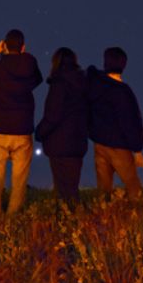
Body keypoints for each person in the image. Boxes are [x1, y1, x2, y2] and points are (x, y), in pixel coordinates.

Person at [0, 28, 43, 221]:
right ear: (23, 47)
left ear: (4, 45)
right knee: (19, 180)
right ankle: (15, 215)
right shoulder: (30, 65)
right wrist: (24, 56)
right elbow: (37, 79)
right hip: (22, 131)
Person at [86, 46, 143, 200]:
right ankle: (137, 218)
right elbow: (131, 122)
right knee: (133, 186)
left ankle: (105, 217)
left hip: (99, 143)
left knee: (103, 188)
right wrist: (137, 150)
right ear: (123, 65)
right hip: (119, 146)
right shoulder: (122, 92)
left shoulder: (95, 85)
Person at [34, 47, 89, 207]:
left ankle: (68, 220)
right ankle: (75, 219)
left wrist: (40, 132)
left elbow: (53, 114)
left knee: (63, 189)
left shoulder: (59, 84)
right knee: (72, 187)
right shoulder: (83, 83)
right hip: (78, 142)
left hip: (59, 144)